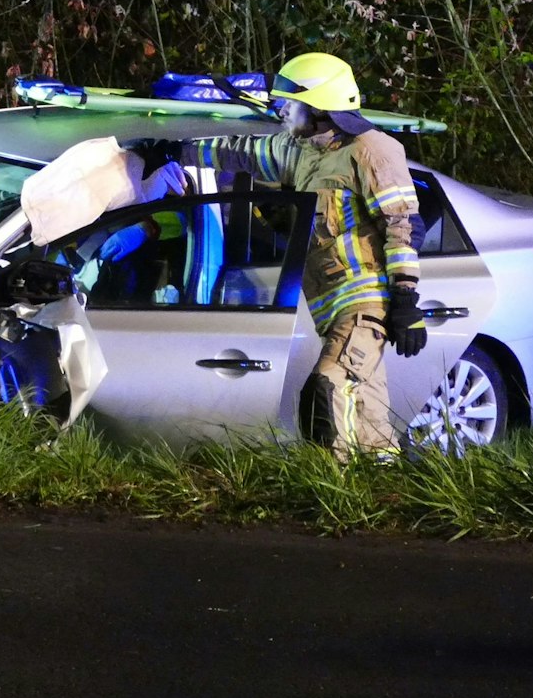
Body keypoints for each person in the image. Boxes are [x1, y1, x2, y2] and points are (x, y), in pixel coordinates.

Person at [146, 52, 425, 457]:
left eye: (291, 103)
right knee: (367, 417)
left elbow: (401, 226)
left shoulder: (374, 151)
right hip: (330, 304)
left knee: (326, 389)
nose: (283, 110)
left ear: (320, 107)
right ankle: (384, 493)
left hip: (367, 300)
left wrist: (405, 299)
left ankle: (332, 494)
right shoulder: (299, 149)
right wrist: (175, 152)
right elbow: (237, 152)